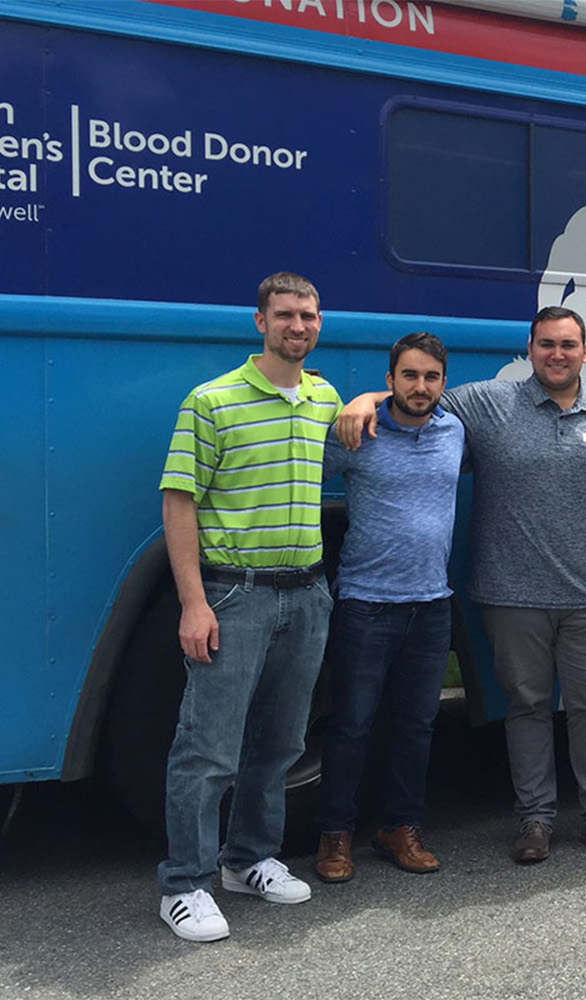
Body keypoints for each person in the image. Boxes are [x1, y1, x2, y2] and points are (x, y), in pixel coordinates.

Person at [337, 305, 586, 863]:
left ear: (585, 353)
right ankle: (534, 821)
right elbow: (416, 397)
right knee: (527, 708)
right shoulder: (489, 402)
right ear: (530, 350)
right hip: (512, 596)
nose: (556, 354)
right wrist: (365, 399)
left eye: (567, 344)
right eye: (545, 344)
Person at [156, 272, 341, 942]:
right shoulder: (212, 401)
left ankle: (248, 859)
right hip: (236, 594)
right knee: (207, 750)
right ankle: (184, 883)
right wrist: (193, 602)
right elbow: (180, 500)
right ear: (259, 323)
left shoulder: (323, 397)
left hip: (308, 593)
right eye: (287, 315)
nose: (299, 325)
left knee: (282, 742)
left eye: (310, 315)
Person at [314, 333, 466, 882]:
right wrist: (356, 405)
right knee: (352, 725)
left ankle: (400, 828)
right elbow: (304, 474)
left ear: (443, 384)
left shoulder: (455, 430)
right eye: (409, 376)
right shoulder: (358, 432)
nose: (420, 386)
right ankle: (335, 836)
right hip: (365, 604)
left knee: (416, 726)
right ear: (390, 381)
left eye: (430, 377)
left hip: (432, 605)